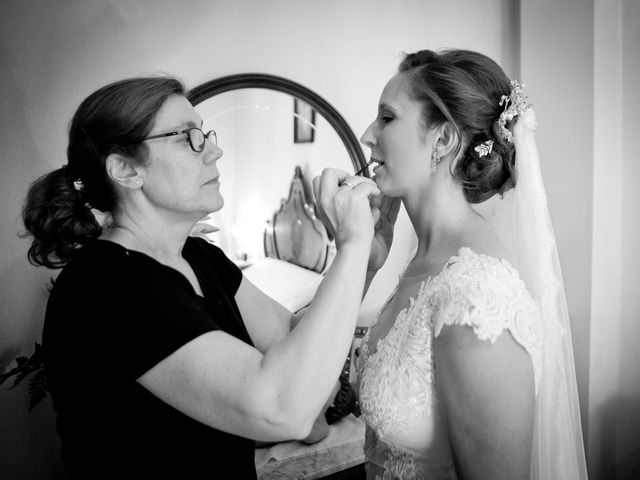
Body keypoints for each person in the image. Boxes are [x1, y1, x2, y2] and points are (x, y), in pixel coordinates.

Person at [21, 76, 381, 478]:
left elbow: (295, 337)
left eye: (204, 134)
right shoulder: (106, 283)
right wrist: (351, 247)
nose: (215, 150)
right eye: (188, 137)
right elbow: (282, 408)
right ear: (125, 169)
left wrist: (364, 261)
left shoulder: (199, 256)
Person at [329, 49, 588, 479]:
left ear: (444, 140)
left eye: (387, 118)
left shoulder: (475, 295)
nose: (368, 134)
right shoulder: (422, 260)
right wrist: (359, 260)